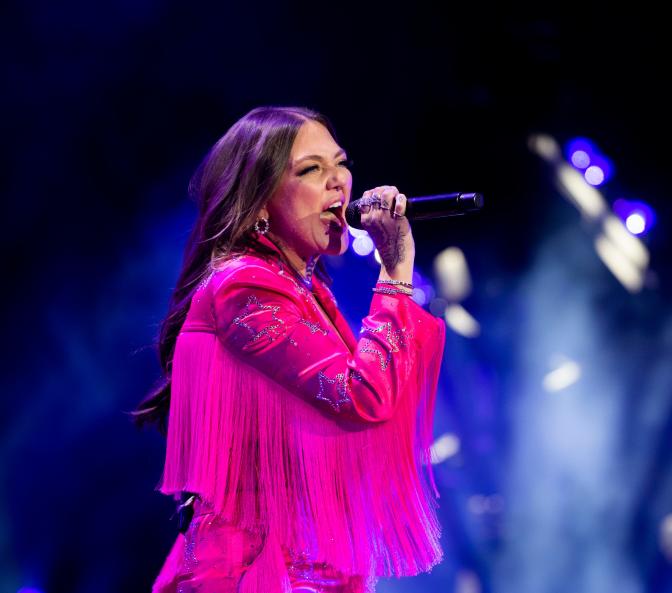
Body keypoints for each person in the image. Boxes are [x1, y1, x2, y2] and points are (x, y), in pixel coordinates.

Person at [132, 106, 446, 592]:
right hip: (254, 572)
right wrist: (396, 271)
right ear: (259, 203)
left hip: (307, 566)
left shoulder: (304, 290)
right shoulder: (244, 288)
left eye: (340, 163)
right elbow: (364, 396)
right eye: (310, 170)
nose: (340, 183)